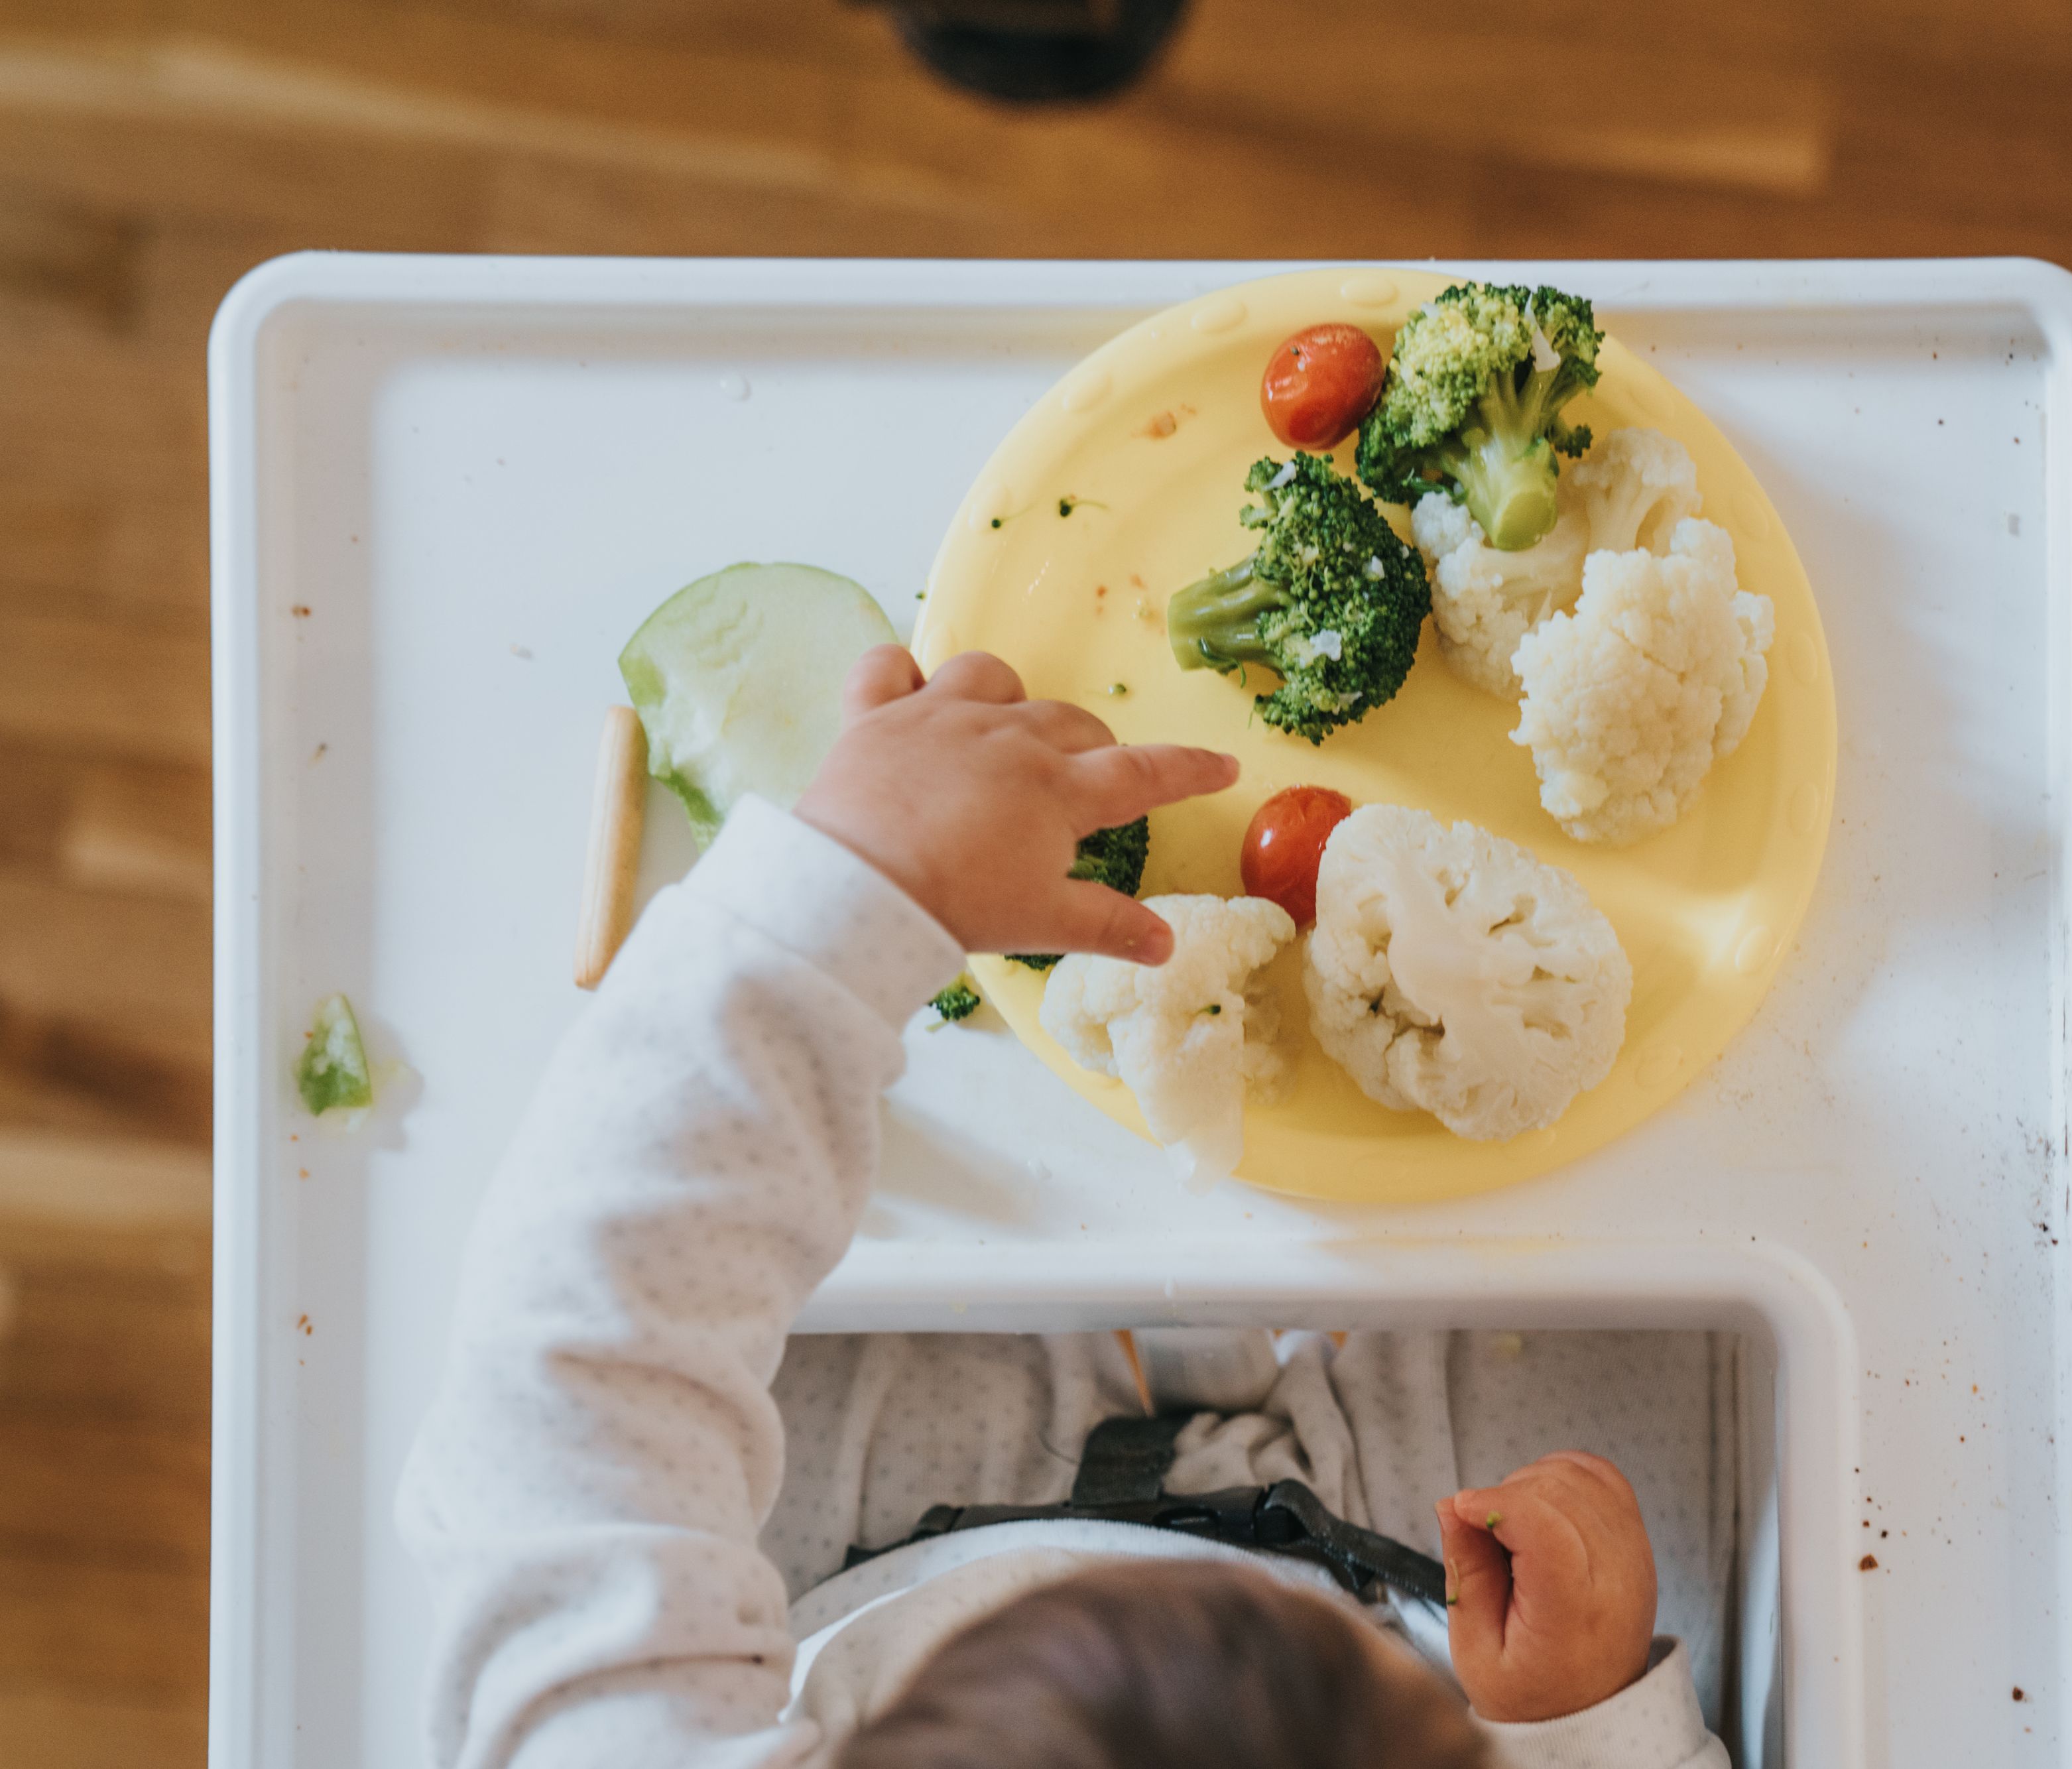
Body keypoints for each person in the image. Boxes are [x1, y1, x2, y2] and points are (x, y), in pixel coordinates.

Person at [398, 645, 1738, 1768]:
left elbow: (585, 1358)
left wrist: (848, 889)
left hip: (851, 1538)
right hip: (1410, 1555)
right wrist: (1581, 1722)